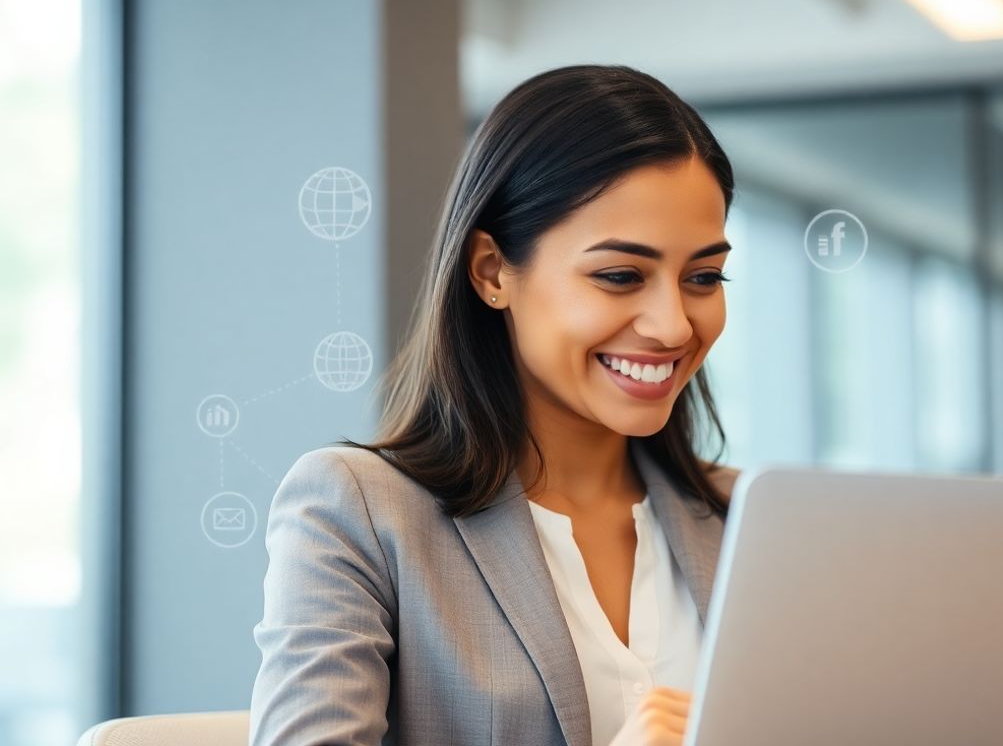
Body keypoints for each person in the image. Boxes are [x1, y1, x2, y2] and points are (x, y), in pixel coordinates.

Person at [250, 64, 740, 746]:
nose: (674, 326)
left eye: (703, 277)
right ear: (491, 272)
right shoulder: (358, 511)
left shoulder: (753, 520)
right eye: (620, 276)